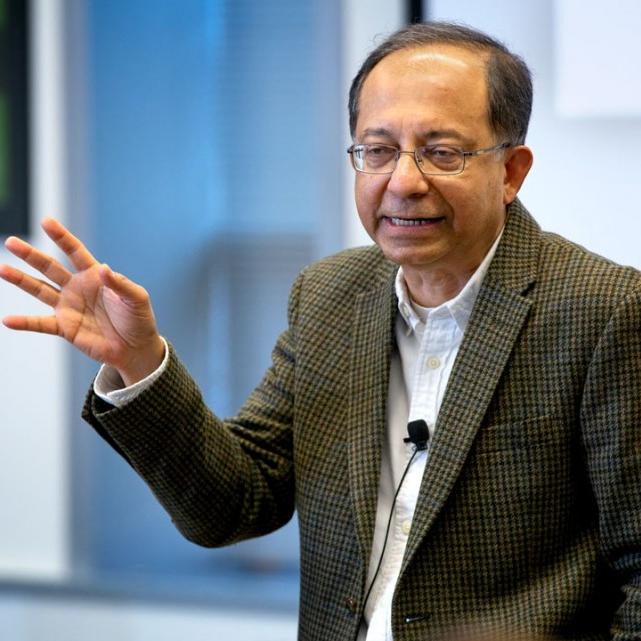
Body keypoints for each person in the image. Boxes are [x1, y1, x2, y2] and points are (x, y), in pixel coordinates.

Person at [1, 21, 640, 641]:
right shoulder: (330, 296)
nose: (404, 182)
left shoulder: (604, 309)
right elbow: (234, 503)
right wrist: (141, 363)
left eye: (442, 152)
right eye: (378, 150)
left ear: (511, 171)